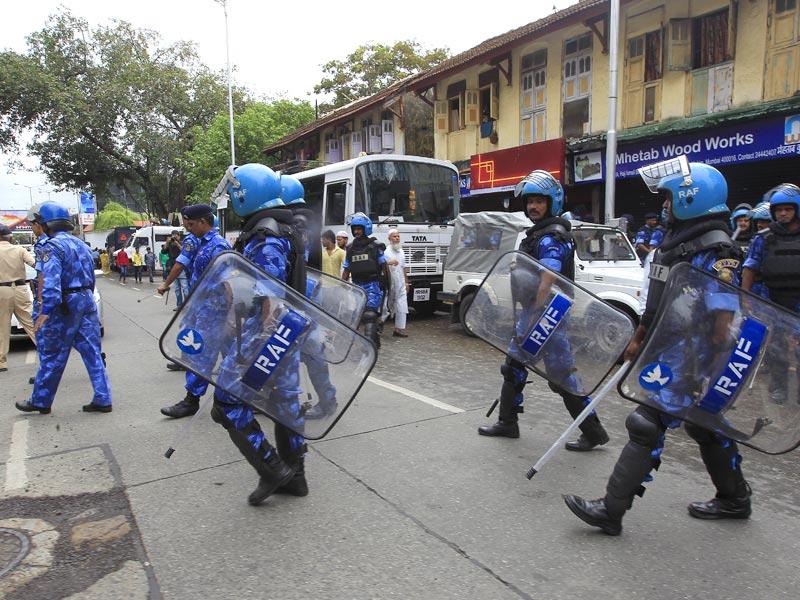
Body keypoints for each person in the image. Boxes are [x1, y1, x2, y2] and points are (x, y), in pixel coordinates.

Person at [564, 158, 751, 536]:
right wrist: (639, 337)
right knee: (704, 425)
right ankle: (735, 497)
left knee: (646, 423)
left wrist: (705, 371)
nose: (664, 206)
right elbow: (657, 303)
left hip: (698, 355)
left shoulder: (718, 251)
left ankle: (611, 510)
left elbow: (721, 324)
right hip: (674, 347)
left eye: (669, 198)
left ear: (690, 198)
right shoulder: (676, 245)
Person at [477, 170, 609, 452]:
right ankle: (510, 422)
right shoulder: (541, 233)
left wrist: (535, 314)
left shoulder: (552, 236)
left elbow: (549, 278)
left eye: (539, 201)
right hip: (545, 314)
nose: (532, 206)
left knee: (550, 374)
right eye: (529, 201)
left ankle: (590, 431)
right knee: (522, 367)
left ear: (552, 202)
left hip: (546, 315)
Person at [212, 163, 308, 503]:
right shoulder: (284, 228)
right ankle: (296, 477)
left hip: (267, 331)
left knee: (226, 402)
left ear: (245, 195)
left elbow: (270, 299)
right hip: (289, 329)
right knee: (284, 401)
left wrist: (256, 348)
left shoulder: (266, 237)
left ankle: (272, 468)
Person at [15, 202, 111, 414]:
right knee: (92, 352)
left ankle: (40, 401)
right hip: (85, 299)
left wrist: (45, 311)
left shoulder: (50, 246)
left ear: (44, 223)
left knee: (52, 354)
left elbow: (50, 283)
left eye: (36, 223)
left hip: (64, 304)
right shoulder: (81, 244)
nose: (34, 227)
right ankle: (103, 398)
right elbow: (91, 277)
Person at [158, 205, 229, 417]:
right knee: (224, 355)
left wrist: (231, 316)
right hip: (203, 307)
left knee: (202, 355)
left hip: (214, 311)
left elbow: (228, 282)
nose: (188, 229)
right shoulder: (203, 243)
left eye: (190, 224)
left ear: (203, 222)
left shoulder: (217, 246)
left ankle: (192, 400)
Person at [741, 183, 800, 404]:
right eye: (779, 210)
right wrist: (745, 297)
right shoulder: (763, 238)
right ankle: (779, 387)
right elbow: (750, 268)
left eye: (788, 209)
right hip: (772, 299)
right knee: (777, 348)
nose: (783, 213)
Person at [341, 213, 387, 349]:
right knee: (361, 315)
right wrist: (341, 285)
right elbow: (347, 268)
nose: (356, 232)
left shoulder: (376, 246)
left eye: (359, 229)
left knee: (370, 314)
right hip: (357, 285)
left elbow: (384, 267)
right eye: (354, 229)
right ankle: (375, 340)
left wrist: (385, 284)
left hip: (373, 284)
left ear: (365, 228)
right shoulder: (350, 248)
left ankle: (368, 347)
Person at [0, 224, 37, 373]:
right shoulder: (20, 249)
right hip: (21, 289)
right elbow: (35, 265)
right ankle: (48, 352)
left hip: (2, 291)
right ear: (10, 237)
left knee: (2, 327)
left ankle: (1, 363)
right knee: (31, 323)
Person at [382, 229, 409, 337]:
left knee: (402, 305)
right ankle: (379, 324)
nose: (397, 238)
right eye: (394, 236)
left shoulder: (401, 251)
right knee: (386, 306)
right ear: (389, 238)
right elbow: (381, 266)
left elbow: (403, 268)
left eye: (398, 236)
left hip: (400, 283)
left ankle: (398, 329)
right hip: (390, 284)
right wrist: (389, 262)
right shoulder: (386, 252)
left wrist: (406, 282)